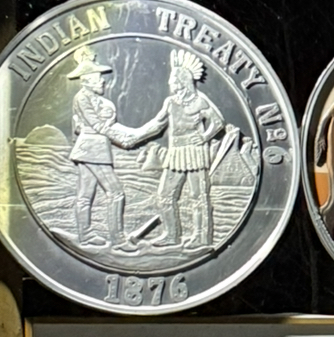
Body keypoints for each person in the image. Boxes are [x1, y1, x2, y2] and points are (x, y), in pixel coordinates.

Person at [145, 49, 227, 249]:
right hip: (175, 153)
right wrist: (135, 135)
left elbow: (218, 122)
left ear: (182, 81)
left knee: (198, 196)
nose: (169, 83)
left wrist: (205, 137)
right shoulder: (170, 102)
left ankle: (201, 237)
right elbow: (157, 124)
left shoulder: (200, 101)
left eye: (172, 79)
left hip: (195, 153)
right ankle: (171, 234)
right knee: (164, 194)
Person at [66, 48, 135, 249]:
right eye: (98, 79)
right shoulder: (82, 98)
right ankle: (118, 240)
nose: (103, 81)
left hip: (93, 149)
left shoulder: (97, 100)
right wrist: (121, 139)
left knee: (85, 194)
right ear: (86, 81)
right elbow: (97, 125)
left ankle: (85, 235)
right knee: (116, 192)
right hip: (92, 149)